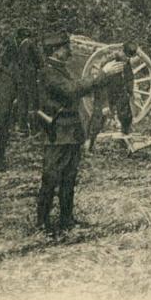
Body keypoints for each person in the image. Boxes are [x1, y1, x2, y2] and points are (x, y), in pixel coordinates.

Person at [36, 31, 124, 235]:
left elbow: (79, 87)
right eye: (65, 47)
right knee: (51, 177)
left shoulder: (59, 69)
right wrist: (103, 74)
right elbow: (71, 90)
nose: (69, 50)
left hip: (70, 131)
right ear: (56, 51)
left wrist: (102, 76)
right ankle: (42, 222)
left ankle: (67, 219)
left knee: (69, 177)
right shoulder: (49, 72)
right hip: (58, 133)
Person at [86, 42, 137, 152]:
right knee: (98, 119)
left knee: (126, 116)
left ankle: (125, 141)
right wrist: (105, 105)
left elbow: (129, 77)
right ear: (121, 51)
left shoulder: (126, 62)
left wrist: (129, 91)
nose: (126, 58)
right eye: (125, 55)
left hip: (119, 93)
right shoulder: (109, 61)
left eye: (129, 57)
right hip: (105, 93)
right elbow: (101, 84)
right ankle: (89, 145)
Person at [14, 28, 43, 135]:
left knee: (22, 102)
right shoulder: (30, 44)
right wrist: (40, 67)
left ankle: (23, 128)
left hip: (21, 78)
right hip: (30, 77)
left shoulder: (19, 46)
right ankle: (34, 129)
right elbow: (39, 59)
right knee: (32, 102)